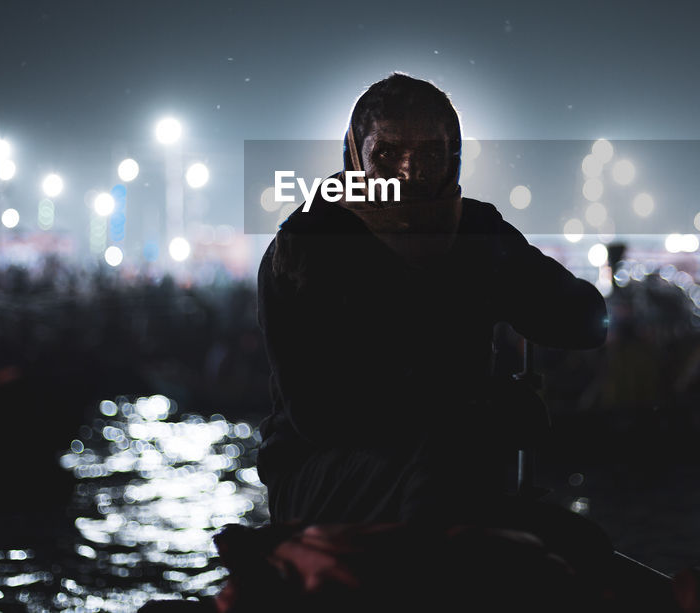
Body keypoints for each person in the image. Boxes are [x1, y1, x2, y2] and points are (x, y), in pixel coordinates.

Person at [255, 72, 608, 533]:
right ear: (357, 155)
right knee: (450, 450)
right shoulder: (306, 245)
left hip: (452, 466)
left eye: (428, 154)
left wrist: (518, 281)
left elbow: (584, 322)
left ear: (452, 158)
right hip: (319, 476)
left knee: (574, 538)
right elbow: (320, 416)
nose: (408, 172)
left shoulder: (476, 232)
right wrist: (482, 404)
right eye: (387, 153)